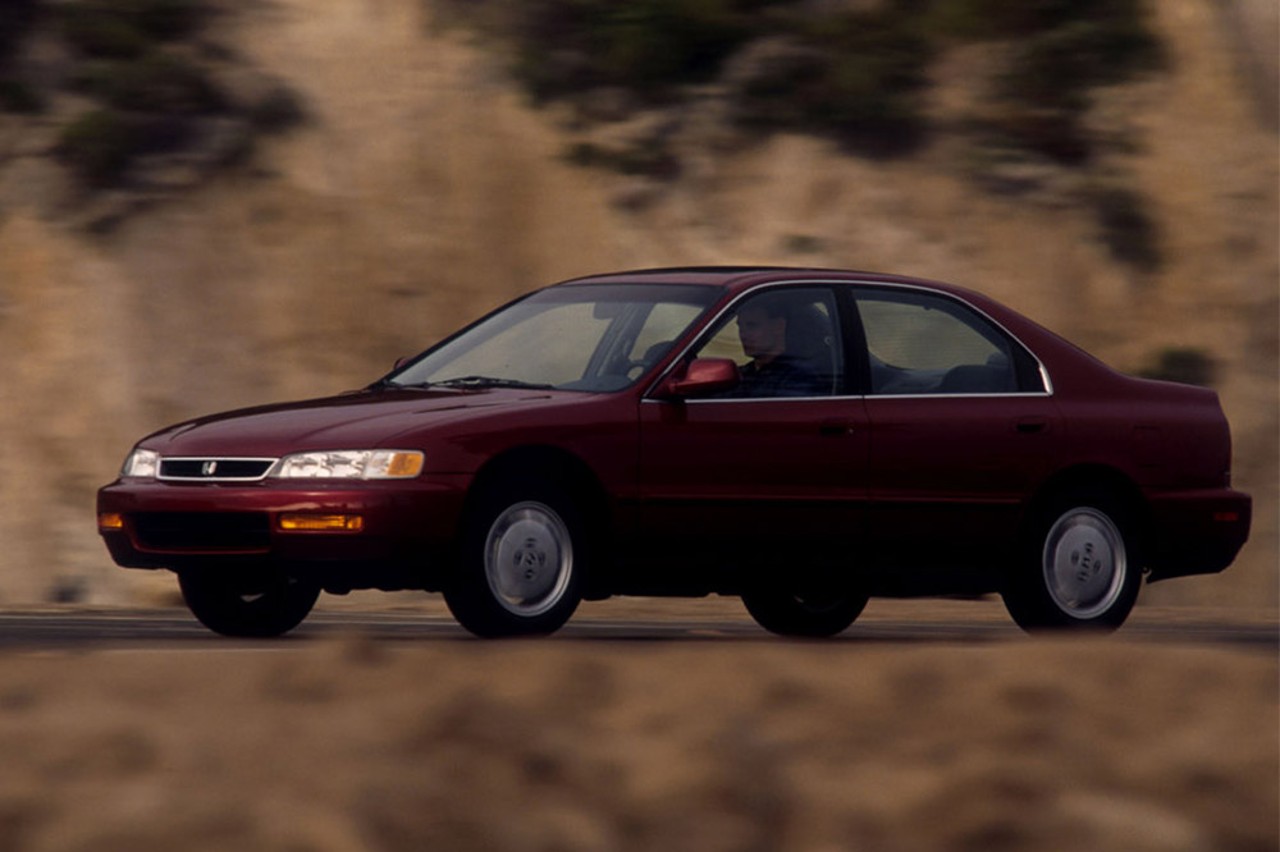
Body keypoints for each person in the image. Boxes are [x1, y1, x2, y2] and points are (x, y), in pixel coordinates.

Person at [731, 297, 827, 397]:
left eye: (752, 326)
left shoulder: (798, 376)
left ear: (779, 326)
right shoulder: (744, 373)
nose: (743, 335)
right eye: (740, 327)